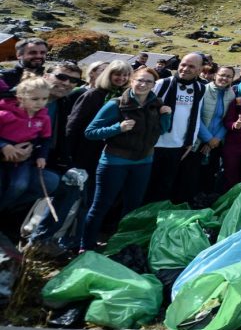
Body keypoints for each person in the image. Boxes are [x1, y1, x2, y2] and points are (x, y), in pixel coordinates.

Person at [80, 68, 170, 250]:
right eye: (140, 80)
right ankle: (85, 246)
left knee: (133, 207)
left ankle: (120, 244)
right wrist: (117, 128)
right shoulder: (116, 104)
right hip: (114, 162)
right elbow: (90, 133)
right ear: (132, 81)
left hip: (144, 162)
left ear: (154, 85)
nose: (143, 85)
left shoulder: (156, 104)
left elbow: (162, 130)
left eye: (149, 82)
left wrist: (166, 115)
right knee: (100, 206)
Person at [65, 60, 132, 193]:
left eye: (126, 75)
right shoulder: (93, 95)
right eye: (117, 74)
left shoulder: (125, 98)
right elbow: (73, 124)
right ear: (108, 74)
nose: (122, 78)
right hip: (83, 149)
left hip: (106, 152)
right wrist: (67, 154)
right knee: (73, 189)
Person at [146, 53, 205, 204]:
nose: (185, 69)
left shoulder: (199, 88)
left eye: (191, 66)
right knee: (146, 184)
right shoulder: (162, 84)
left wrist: (190, 141)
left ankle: (153, 219)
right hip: (154, 143)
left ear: (199, 70)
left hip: (177, 145)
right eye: (183, 64)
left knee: (165, 186)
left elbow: (195, 115)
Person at [0, 76, 56, 212]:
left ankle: (3, 209)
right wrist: (3, 146)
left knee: (20, 185)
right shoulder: (4, 114)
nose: (40, 103)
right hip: (3, 156)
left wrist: (42, 156)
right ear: (20, 98)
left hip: (23, 160)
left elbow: (45, 139)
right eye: (35, 99)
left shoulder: (44, 118)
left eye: (44, 99)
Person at [198, 65, 236, 193]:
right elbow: (196, 118)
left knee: (211, 174)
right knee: (194, 173)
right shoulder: (202, 90)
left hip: (217, 142)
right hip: (198, 140)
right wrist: (208, 138)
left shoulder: (231, 94)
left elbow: (227, 120)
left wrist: (216, 139)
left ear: (232, 79)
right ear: (215, 75)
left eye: (228, 76)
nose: (224, 78)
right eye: (222, 75)